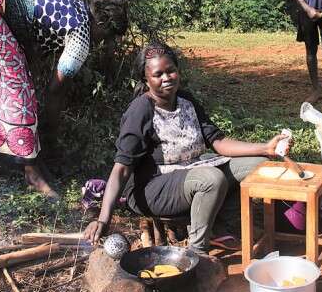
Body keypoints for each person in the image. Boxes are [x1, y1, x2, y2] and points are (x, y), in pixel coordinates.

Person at [82, 42, 289, 253]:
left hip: (194, 171)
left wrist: (265, 148)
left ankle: (222, 225)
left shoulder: (186, 100)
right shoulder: (141, 111)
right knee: (211, 179)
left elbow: (217, 141)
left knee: (259, 165)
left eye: (170, 71)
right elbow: (122, 168)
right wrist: (103, 220)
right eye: (158, 74)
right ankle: (197, 250)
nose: (166, 78)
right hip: (153, 189)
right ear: (146, 79)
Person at [0, 0, 127, 197]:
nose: (102, 42)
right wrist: (51, 135)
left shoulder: (77, 5)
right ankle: (31, 173)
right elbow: (56, 90)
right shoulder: (81, 35)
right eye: (106, 37)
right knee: (18, 94)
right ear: (102, 24)